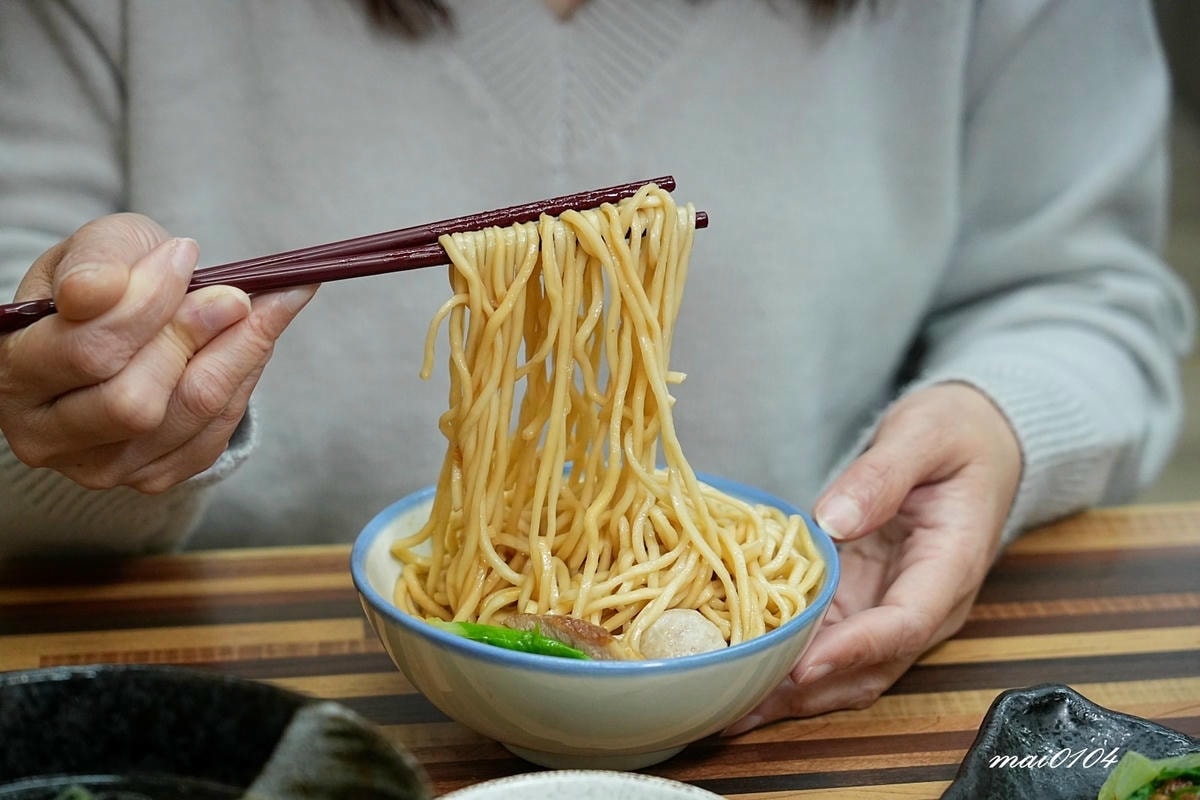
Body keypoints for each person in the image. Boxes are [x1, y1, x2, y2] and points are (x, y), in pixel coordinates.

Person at [0, 0, 1193, 730]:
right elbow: (26, 318)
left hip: (787, 692)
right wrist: (63, 411)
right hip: (241, 689)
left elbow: (1083, 289)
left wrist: (997, 419)